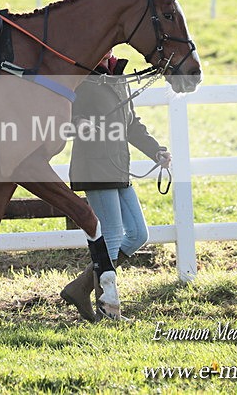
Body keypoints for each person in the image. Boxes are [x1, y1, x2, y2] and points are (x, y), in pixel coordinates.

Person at [61, 50, 171, 321]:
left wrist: (156, 151)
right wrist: (77, 123)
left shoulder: (118, 77)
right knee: (110, 236)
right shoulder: (80, 77)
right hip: (94, 166)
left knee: (138, 234)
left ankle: (81, 287)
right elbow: (62, 115)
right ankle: (108, 310)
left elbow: (131, 124)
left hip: (119, 165)